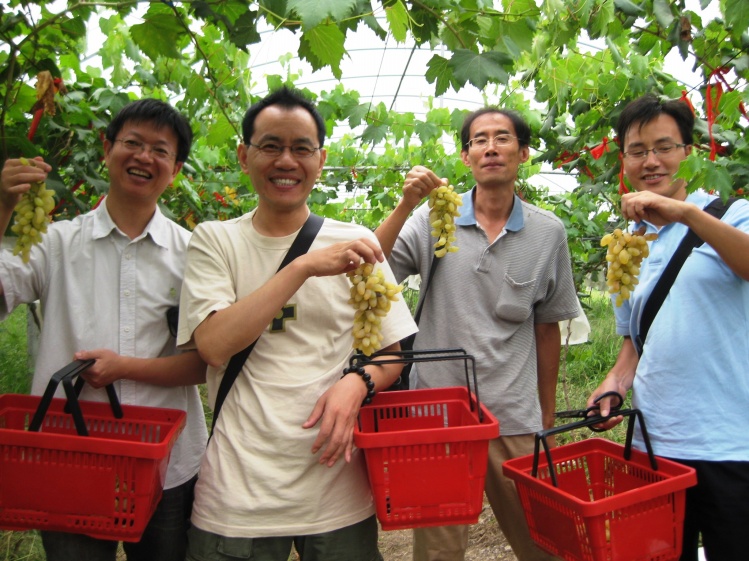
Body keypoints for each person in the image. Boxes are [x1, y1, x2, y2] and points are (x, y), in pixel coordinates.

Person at [176, 86, 417, 561]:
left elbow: (392, 352)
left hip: (337, 492)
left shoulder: (357, 242)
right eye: (271, 146)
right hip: (236, 496)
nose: (286, 160)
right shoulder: (215, 241)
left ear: (320, 159)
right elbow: (214, 345)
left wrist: (359, 382)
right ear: (245, 156)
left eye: (301, 148)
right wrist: (301, 267)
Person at [0, 98, 208, 561]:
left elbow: (206, 361)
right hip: (71, 460)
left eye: (160, 150)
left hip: (167, 467)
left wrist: (124, 368)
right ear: (106, 149)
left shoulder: (194, 254)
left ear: (175, 170)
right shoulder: (54, 244)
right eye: (132, 143)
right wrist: (3, 207)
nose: (143, 157)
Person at [375, 107, 579, 561]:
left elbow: (548, 329)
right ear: (466, 156)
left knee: (545, 542)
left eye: (503, 138)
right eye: (479, 140)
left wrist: (545, 417)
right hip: (438, 415)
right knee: (438, 552)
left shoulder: (548, 233)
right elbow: (370, 266)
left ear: (522, 153)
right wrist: (406, 203)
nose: (490, 147)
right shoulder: (434, 220)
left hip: (514, 415)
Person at [588, 93, 749, 561]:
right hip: (654, 443)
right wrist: (614, 383)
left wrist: (683, 213)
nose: (651, 161)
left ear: (689, 152)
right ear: (624, 160)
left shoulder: (730, 214)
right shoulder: (628, 243)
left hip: (730, 443)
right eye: (638, 151)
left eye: (664, 147)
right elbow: (635, 341)